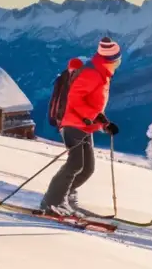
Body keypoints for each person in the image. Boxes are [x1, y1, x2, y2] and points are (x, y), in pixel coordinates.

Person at [40, 37, 121, 215]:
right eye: (118, 58)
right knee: (75, 164)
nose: (119, 62)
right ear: (111, 59)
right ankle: (52, 202)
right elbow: (75, 100)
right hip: (73, 124)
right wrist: (90, 119)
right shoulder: (92, 73)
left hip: (84, 126)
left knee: (87, 168)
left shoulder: (102, 74)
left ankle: (65, 195)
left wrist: (104, 124)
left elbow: (92, 105)